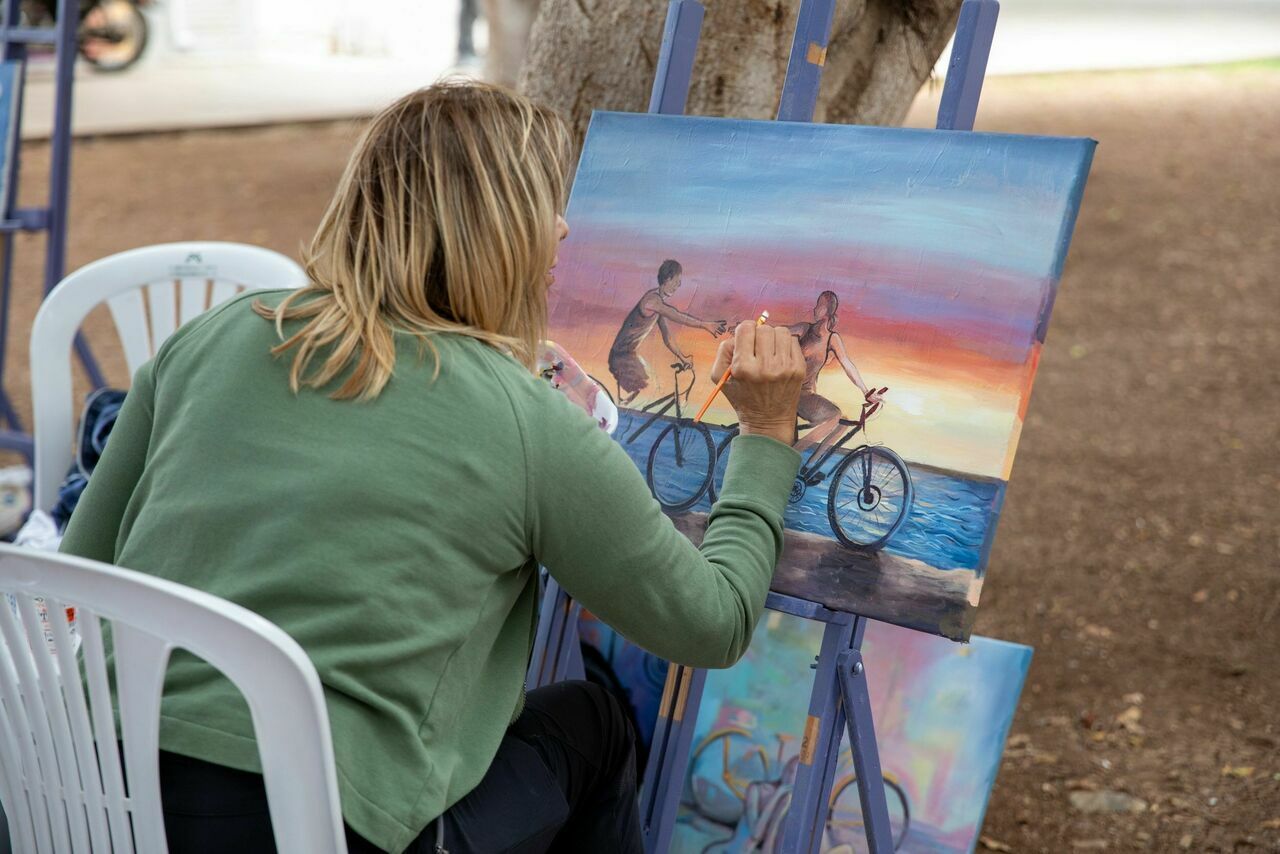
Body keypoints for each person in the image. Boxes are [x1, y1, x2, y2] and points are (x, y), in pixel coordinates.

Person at [59, 81, 806, 854]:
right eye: (543, 200)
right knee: (595, 726)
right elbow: (713, 624)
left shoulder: (208, 340)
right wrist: (765, 430)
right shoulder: (527, 419)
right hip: (315, 830)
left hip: (86, 802)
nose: (564, 225)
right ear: (493, 227)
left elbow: (78, 570)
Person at [607, 259, 726, 404]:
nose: (678, 285)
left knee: (651, 391)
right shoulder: (652, 301)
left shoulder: (658, 307)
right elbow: (675, 314)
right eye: (677, 281)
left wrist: (683, 358)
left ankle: (624, 407)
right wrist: (705, 325)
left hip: (629, 356)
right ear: (668, 278)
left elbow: (667, 338)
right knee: (647, 393)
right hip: (621, 357)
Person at [785, 290, 883, 459]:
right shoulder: (804, 329)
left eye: (819, 305)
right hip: (793, 392)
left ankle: (812, 466)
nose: (815, 309)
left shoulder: (832, 339)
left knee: (842, 422)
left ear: (827, 311)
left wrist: (866, 391)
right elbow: (778, 331)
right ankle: (792, 455)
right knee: (835, 415)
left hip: (806, 395)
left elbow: (847, 364)